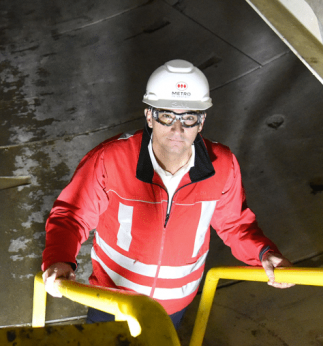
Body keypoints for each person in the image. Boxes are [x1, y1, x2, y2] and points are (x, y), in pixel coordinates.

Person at [41, 60, 292, 328]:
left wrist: (263, 253)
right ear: (149, 116)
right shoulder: (111, 159)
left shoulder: (223, 165)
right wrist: (59, 260)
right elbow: (71, 215)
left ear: (202, 121)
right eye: (166, 116)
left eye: (188, 118)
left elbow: (235, 223)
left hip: (173, 308)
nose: (177, 129)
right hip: (111, 301)